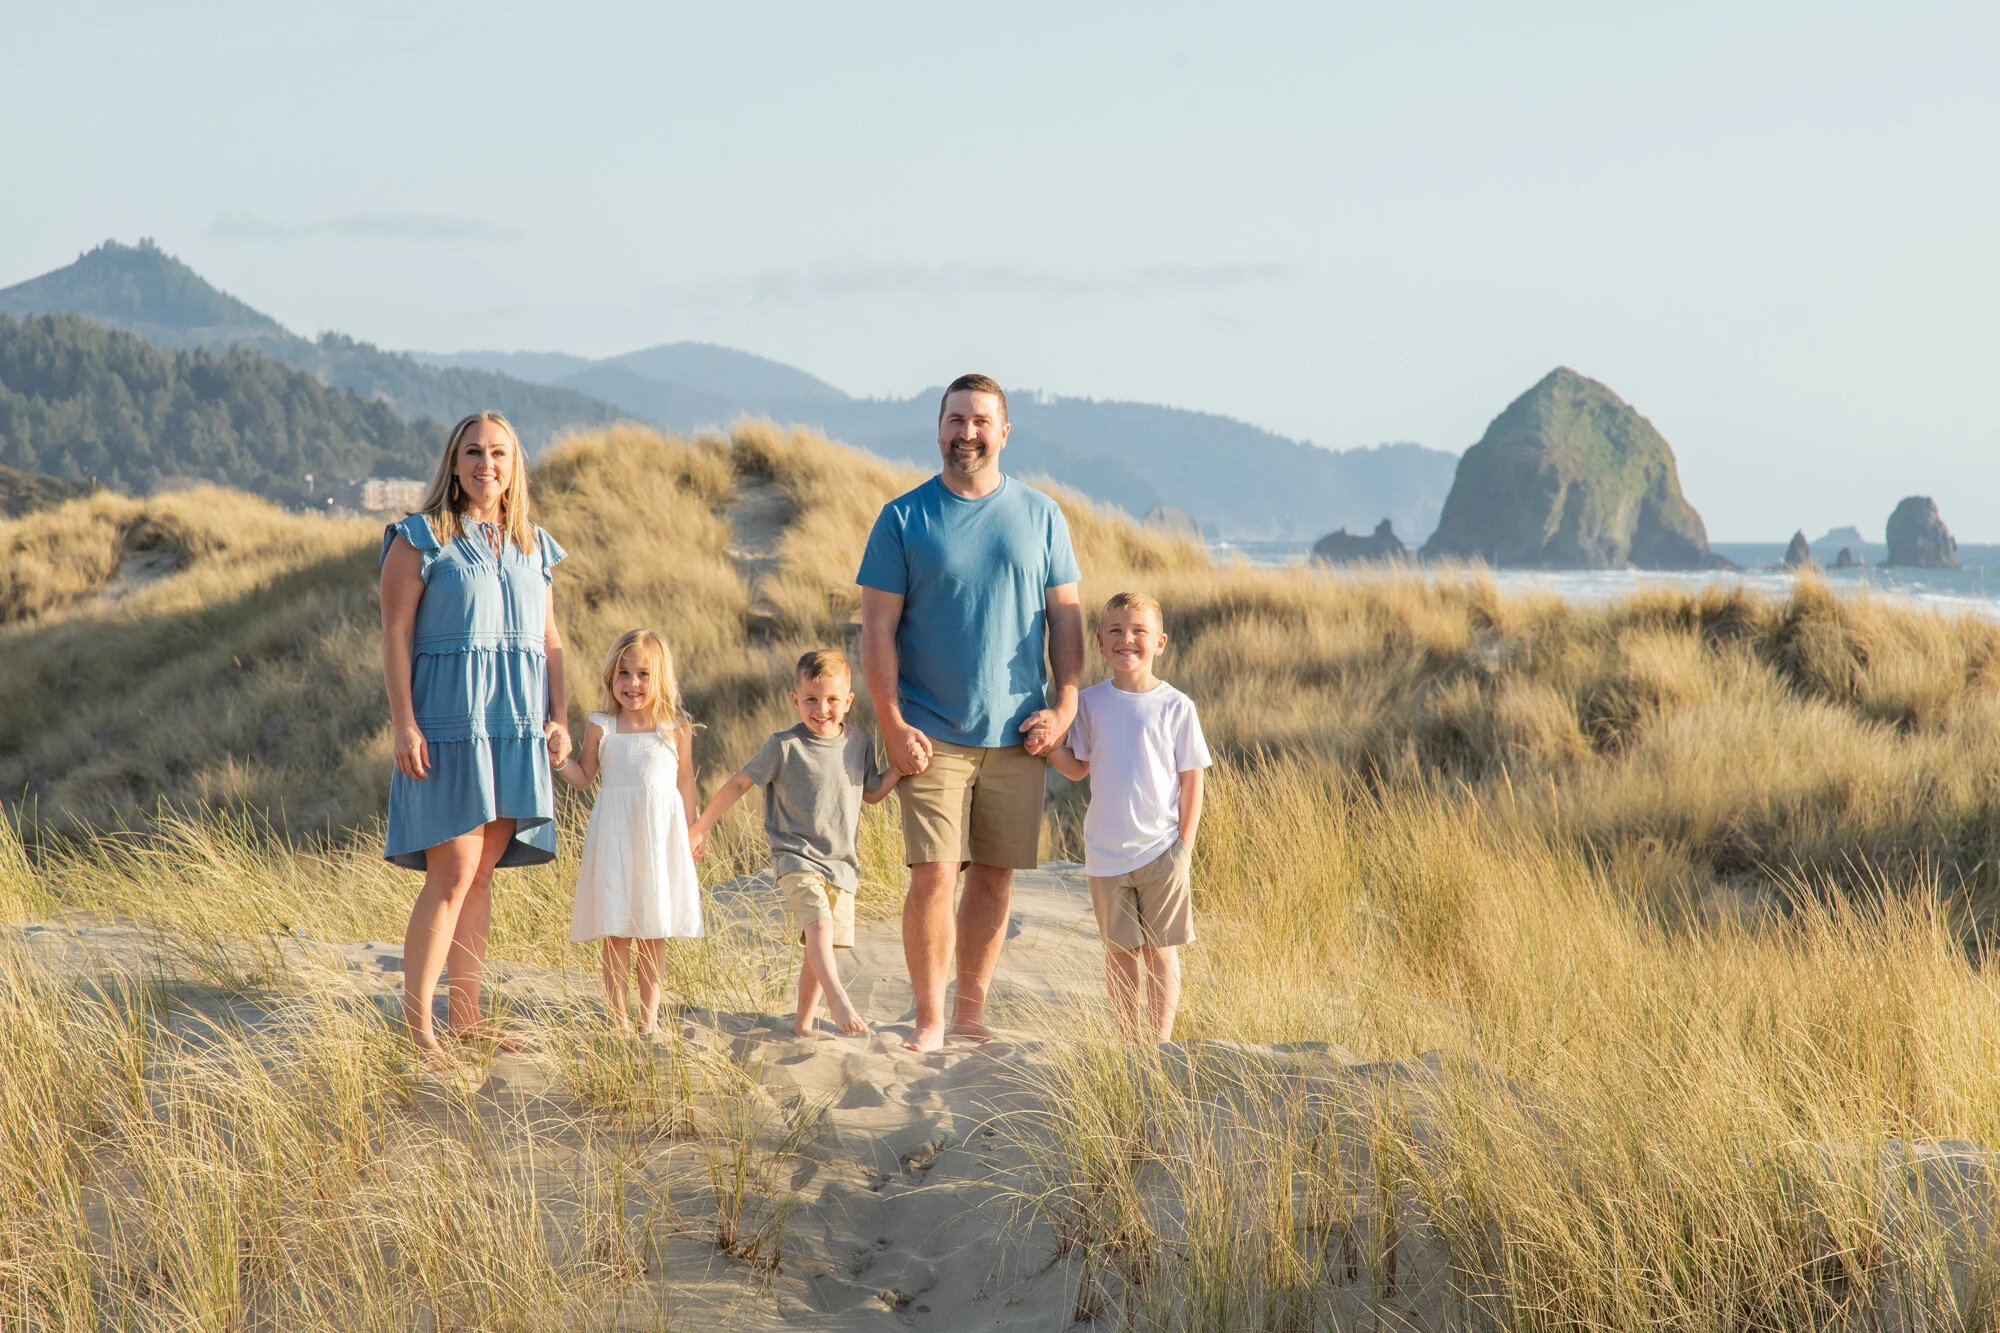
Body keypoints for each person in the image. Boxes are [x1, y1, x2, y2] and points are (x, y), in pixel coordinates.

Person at [857, 373, 1085, 1052]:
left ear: (1004, 432)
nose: (968, 433)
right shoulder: (903, 518)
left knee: (993, 875)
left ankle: (970, 1014)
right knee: (933, 873)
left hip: (1020, 733)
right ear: (938, 427)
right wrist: (893, 722)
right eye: (956, 419)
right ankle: (930, 1019)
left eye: (982, 421)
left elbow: (1066, 622)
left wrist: (1065, 706)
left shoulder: (1043, 515)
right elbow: (876, 630)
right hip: (930, 733)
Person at [380, 411, 571, 1062]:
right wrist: (404, 721)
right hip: (447, 724)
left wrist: (561, 716)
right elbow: (396, 636)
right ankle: (420, 1027)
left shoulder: (534, 546)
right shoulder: (420, 539)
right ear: (453, 463)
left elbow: (550, 642)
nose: (486, 463)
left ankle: (467, 1017)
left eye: (499, 453)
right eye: (473, 452)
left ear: (515, 466)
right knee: (453, 870)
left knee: (482, 875)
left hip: (513, 727)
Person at [688, 649, 901, 1038]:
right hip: (795, 856)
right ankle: (838, 998)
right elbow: (740, 782)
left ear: (848, 701)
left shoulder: (859, 743)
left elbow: (871, 792)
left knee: (822, 946)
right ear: (795, 699)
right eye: (811, 700)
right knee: (818, 925)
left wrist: (900, 768)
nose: (822, 709)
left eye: (833, 699)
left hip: (842, 863)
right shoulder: (784, 745)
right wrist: (701, 826)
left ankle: (802, 1024)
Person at [1049, 592, 1210, 1043]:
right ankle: (1129, 1041)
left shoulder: (1177, 706)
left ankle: (1158, 1044)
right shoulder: (1090, 703)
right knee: (1120, 952)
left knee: (1162, 951)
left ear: (1159, 642)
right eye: (1116, 631)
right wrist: (1049, 749)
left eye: (1139, 631)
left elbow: (1192, 779)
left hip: (1162, 848)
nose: (1127, 640)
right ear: (1100, 643)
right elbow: (1078, 766)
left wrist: (1185, 847)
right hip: (1106, 851)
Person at [556, 629, 704, 1036]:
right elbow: (584, 777)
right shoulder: (601, 726)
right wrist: (558, 760)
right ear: (611, 677)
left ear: (660, 678)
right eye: (624, 673)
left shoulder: (675, 727)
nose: (632, 683)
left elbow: (685, 780)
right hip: (616, 837)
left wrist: (692, 830)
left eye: (643, 674)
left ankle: (649, 1020)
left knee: (653, 930)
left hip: (660, 839)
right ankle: (619, 1021)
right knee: (617, 930)